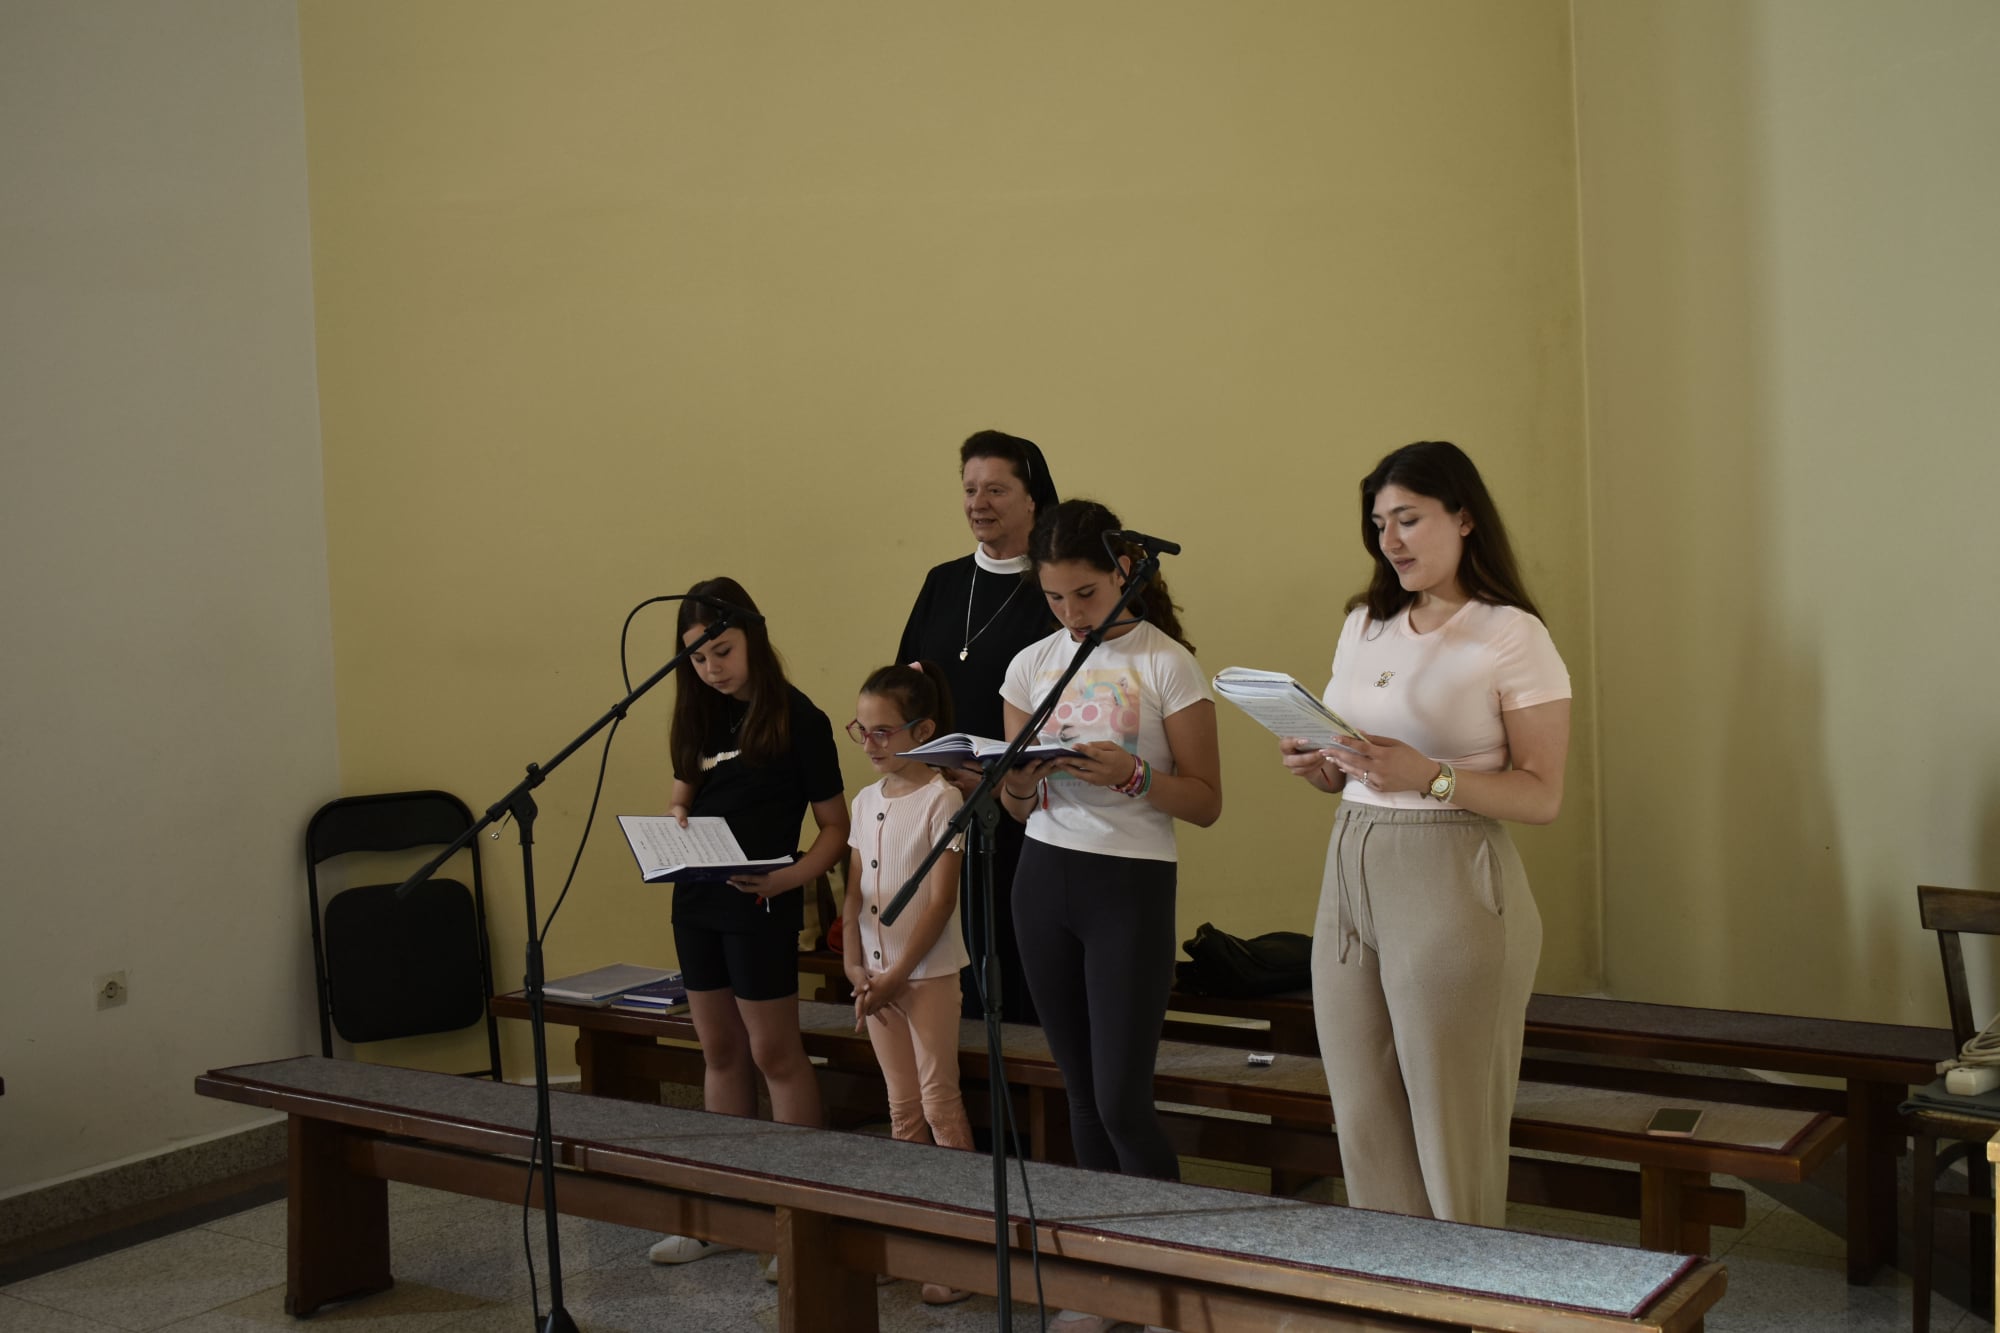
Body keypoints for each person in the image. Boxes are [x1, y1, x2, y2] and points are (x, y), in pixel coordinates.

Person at [1278, 440, 1569, 1227]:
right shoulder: (1364, 624)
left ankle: (1467, 1285)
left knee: (1450, 1127)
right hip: (1350, 864)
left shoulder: (1510, 633)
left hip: (1451, 875)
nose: (1391, 540)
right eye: (1379, 524)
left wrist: (1430, 775)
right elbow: (1361, 760)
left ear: (1464, 517)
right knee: (1364, 1118)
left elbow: (1543, 794)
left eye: (1408, 519)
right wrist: (1323, 766)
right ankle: (1392, 1287)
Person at [999, 499, 1223, 1186]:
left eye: (1087, 593)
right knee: (1080, 1097)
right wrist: (1017, 784)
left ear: (1124, 570)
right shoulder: (1031, 664)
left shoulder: (1166, 663)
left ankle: (1164, 1244)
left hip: (1128, 884)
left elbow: (1207, 802)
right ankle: (1099, 1248)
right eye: (1054, 597)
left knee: (1121, 1101)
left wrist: (1134, 775)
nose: (1071, 613)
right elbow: (1016, 808)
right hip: (1042, 877)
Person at [647, 577, 848, 1270]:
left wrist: (790, 878)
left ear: (754, 638)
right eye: (698, 658)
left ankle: (801, 1220)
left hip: (765, 898)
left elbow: (834, 828)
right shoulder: (698, 715)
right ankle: (720, 1213)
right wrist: (674, 822)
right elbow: (681, 799)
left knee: (774, 1054)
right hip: (698, 898)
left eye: (723, 651)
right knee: (719, 1051)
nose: (712, 669)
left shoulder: (799, 717)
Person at [897, 429, 1060, 1024]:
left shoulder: (1053, 590)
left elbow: (1066, 707)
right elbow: (907, 689)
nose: (978, 503)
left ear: (1032, 499)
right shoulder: (943, 582)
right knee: (951, 974)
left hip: (1027, 811)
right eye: (969, 490)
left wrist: (995, 782)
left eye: (996, 489)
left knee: (1019, 972)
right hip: (943, 806)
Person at [840, 661, 974, 1306]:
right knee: (900, 1110)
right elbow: (853, 894)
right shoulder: (865, 801)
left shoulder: (944, 799)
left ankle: (962, 1248)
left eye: (883, 732)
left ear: (923, 731)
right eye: (860, 730)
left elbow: (940, 902)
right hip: (875, 975)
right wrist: (854, 965)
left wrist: (897, 975)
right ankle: (912, 1236)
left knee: (939, 1103)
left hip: (926, 975)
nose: (869, 744)